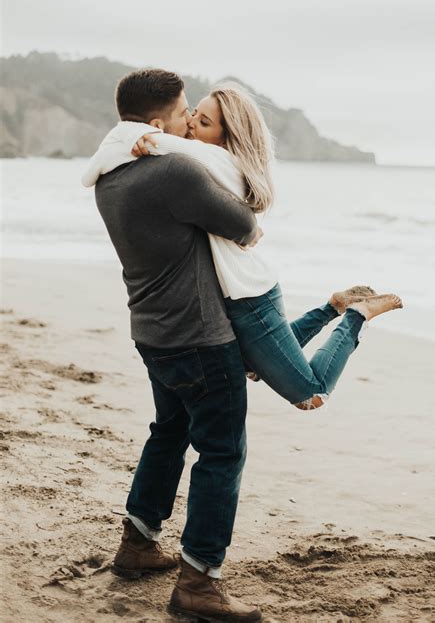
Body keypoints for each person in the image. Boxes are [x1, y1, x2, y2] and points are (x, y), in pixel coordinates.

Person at [84, 85, 403, 414]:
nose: (192, 123)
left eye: (204, 123)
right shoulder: (199, 160)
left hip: (251, 300)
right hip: (239, 296)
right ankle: (332, 306)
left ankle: (357, 315)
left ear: (226, 137)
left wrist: (142, 139)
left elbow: (149, 147)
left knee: (312, 394)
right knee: (252, 367)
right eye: (194, 113)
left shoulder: (219, 161)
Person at [91, 69, 263, 623]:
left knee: (169, 432)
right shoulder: (174, 171)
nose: (192, 120)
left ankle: (138, 543)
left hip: (152, 331)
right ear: (160, 121)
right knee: (222, 451)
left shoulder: (111, 176)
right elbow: (244, 225)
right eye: (186, 111)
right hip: (199, 337)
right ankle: (199, 583)